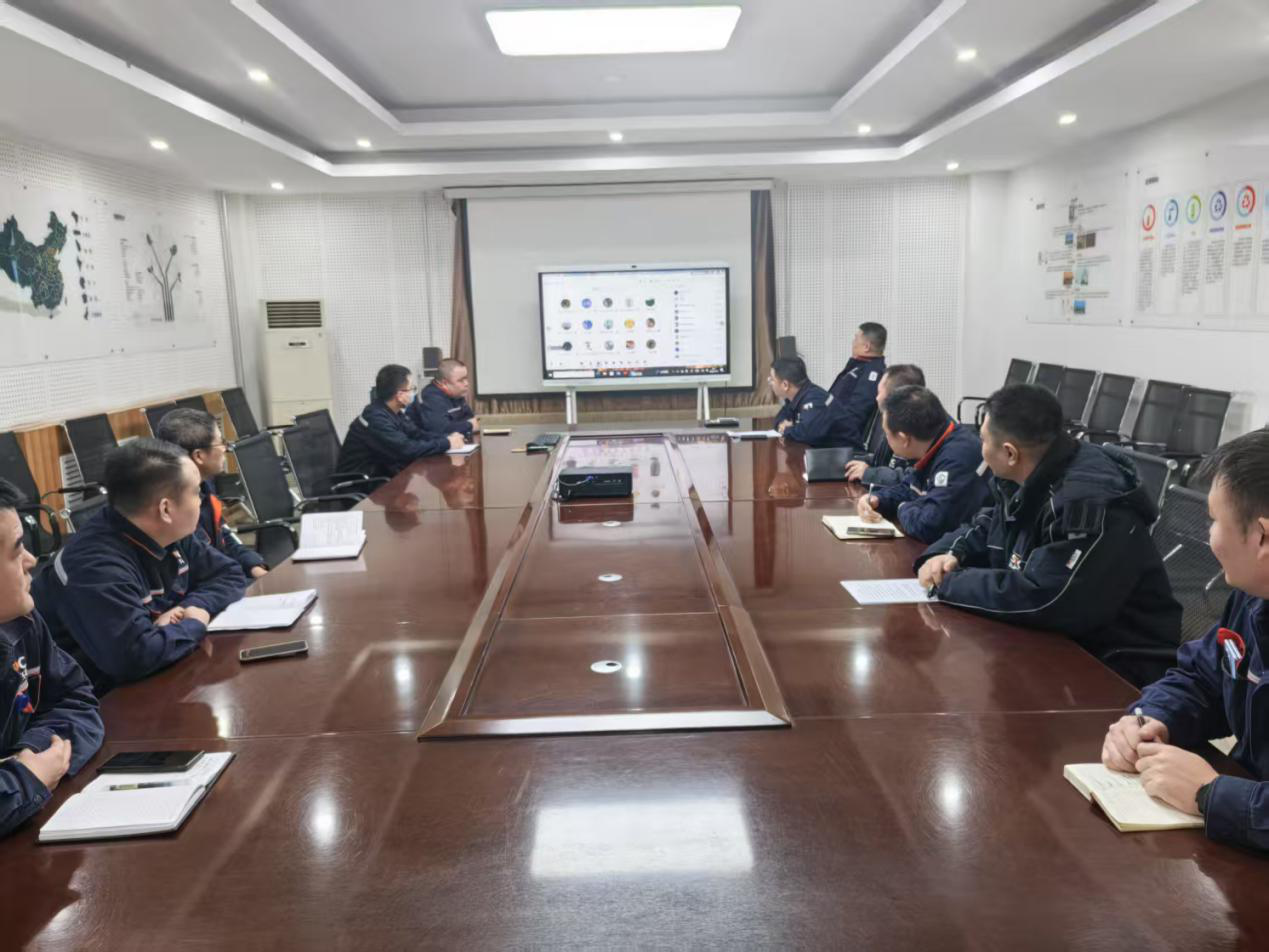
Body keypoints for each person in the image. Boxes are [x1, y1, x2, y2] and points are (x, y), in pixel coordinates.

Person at [915, 384, 1181, 685]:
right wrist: (949, 553)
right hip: (1056, 642)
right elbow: (991, 523)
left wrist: (951, 583)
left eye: (984, 440)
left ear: (1010, 453)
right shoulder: (1030, 471)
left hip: (1115, 663)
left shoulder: (1086, 501)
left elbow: (1045, 596)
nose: (981, 449)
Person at [1101, 429, 1269, 851]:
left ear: (1263, 537)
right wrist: (1152, 718)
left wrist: (1210, 794)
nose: (1209, 537)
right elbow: (1203, 677)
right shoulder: (1252, 598)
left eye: (1214, 520)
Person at [31, 439, 248, 693]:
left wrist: (189, 607)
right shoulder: (94, 567)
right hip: (97, 698)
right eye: (196, 492)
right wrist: (193, 624)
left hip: (153, 678)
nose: (201, 501)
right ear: (165, 509)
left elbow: (230, 574)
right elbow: (134, 657)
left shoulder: (171, 531)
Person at [0, 478, 104, 837]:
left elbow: (76, 700)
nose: (31, 560)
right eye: (16, 550)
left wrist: (34, 753)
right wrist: (24, 780)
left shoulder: (21, 620)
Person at [856, 385, 990, 543]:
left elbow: (930, 526)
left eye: (887, 434)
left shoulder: (958, 457)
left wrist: (902, 507)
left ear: (904, 439)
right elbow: (910, 488)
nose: (886, 439)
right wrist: (878, 499)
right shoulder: (934, 438)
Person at [157, 408, 268, 580]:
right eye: (221, 442)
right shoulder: (175, 506)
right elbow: (206, 562)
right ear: (199, 456)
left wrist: (255, 567)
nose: (225, 448)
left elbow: (223, 539)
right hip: (208, 586)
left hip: (225, 578)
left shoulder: (205, 485)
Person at [337, 364, 464, 479]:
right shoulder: (376, 418)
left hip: (382, 476)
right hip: (361, 483)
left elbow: (417, 434)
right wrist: (446, 443)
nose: (414, 393)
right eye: (412, 388)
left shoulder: (392, 412)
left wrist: (447, 438)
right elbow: (407, 450)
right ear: (399, 395)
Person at [844, 363, 926, 485]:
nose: (876, 398)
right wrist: (846, 461)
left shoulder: (921, 429)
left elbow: (912, 479)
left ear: (894, 397)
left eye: (879, 392)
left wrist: (869, 473)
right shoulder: (896, 420)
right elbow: (881, 460)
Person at [769, 357, 854, 448]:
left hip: (845, 454)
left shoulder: (815, 400)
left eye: (772, 379)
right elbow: (780, 418)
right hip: (825, 451)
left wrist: (786, 429)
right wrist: (783, 425)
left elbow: (806, 434)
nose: (769, 381)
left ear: (785, 385)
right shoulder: (796, 397)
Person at [827, 322, 887, 448]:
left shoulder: (872, 374)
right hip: (830, 429)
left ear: (866, 347)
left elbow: (854, 415)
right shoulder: (860, 366)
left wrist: (820, 427)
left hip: (838, 441)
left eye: (855, 339)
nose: (853, 343)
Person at [408, 358, 479, 438]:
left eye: (466, 378)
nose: (466, 383)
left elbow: (470, 418)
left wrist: (469, 424)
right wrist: (469, 425)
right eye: (461, 380)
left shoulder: (456, 394)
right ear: (444, 383)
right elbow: (441, 430)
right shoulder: (431, 397)